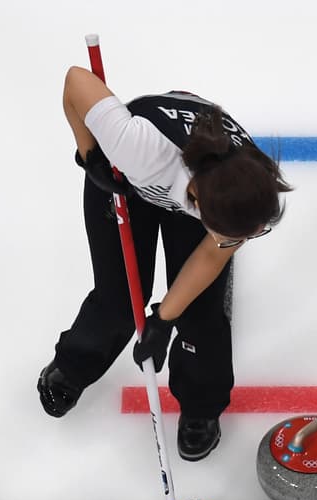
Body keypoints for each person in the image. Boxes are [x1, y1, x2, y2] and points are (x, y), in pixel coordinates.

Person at [38, 66, 291, 461]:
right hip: (126, 180)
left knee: (200, 313)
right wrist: (91, 157)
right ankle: (73, 366)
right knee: (117, 300)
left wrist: (164, 319)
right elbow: (75, 81)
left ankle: (201, 405)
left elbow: (212, 253)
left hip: (197, 191)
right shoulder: (138, 147)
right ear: (198, 203)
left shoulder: (249, 194)